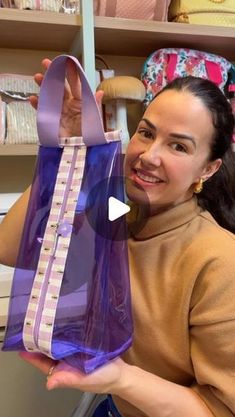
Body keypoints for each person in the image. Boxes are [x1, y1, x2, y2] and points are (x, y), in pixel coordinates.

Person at [0, 60, 235, 417]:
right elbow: (10, 248)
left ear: (208, 168)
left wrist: (120, 379)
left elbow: (219, 410)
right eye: (146, 132)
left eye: (179, 147)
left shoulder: (219, 262)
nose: (149, 155)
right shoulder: (117, 211)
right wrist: (69, 154)